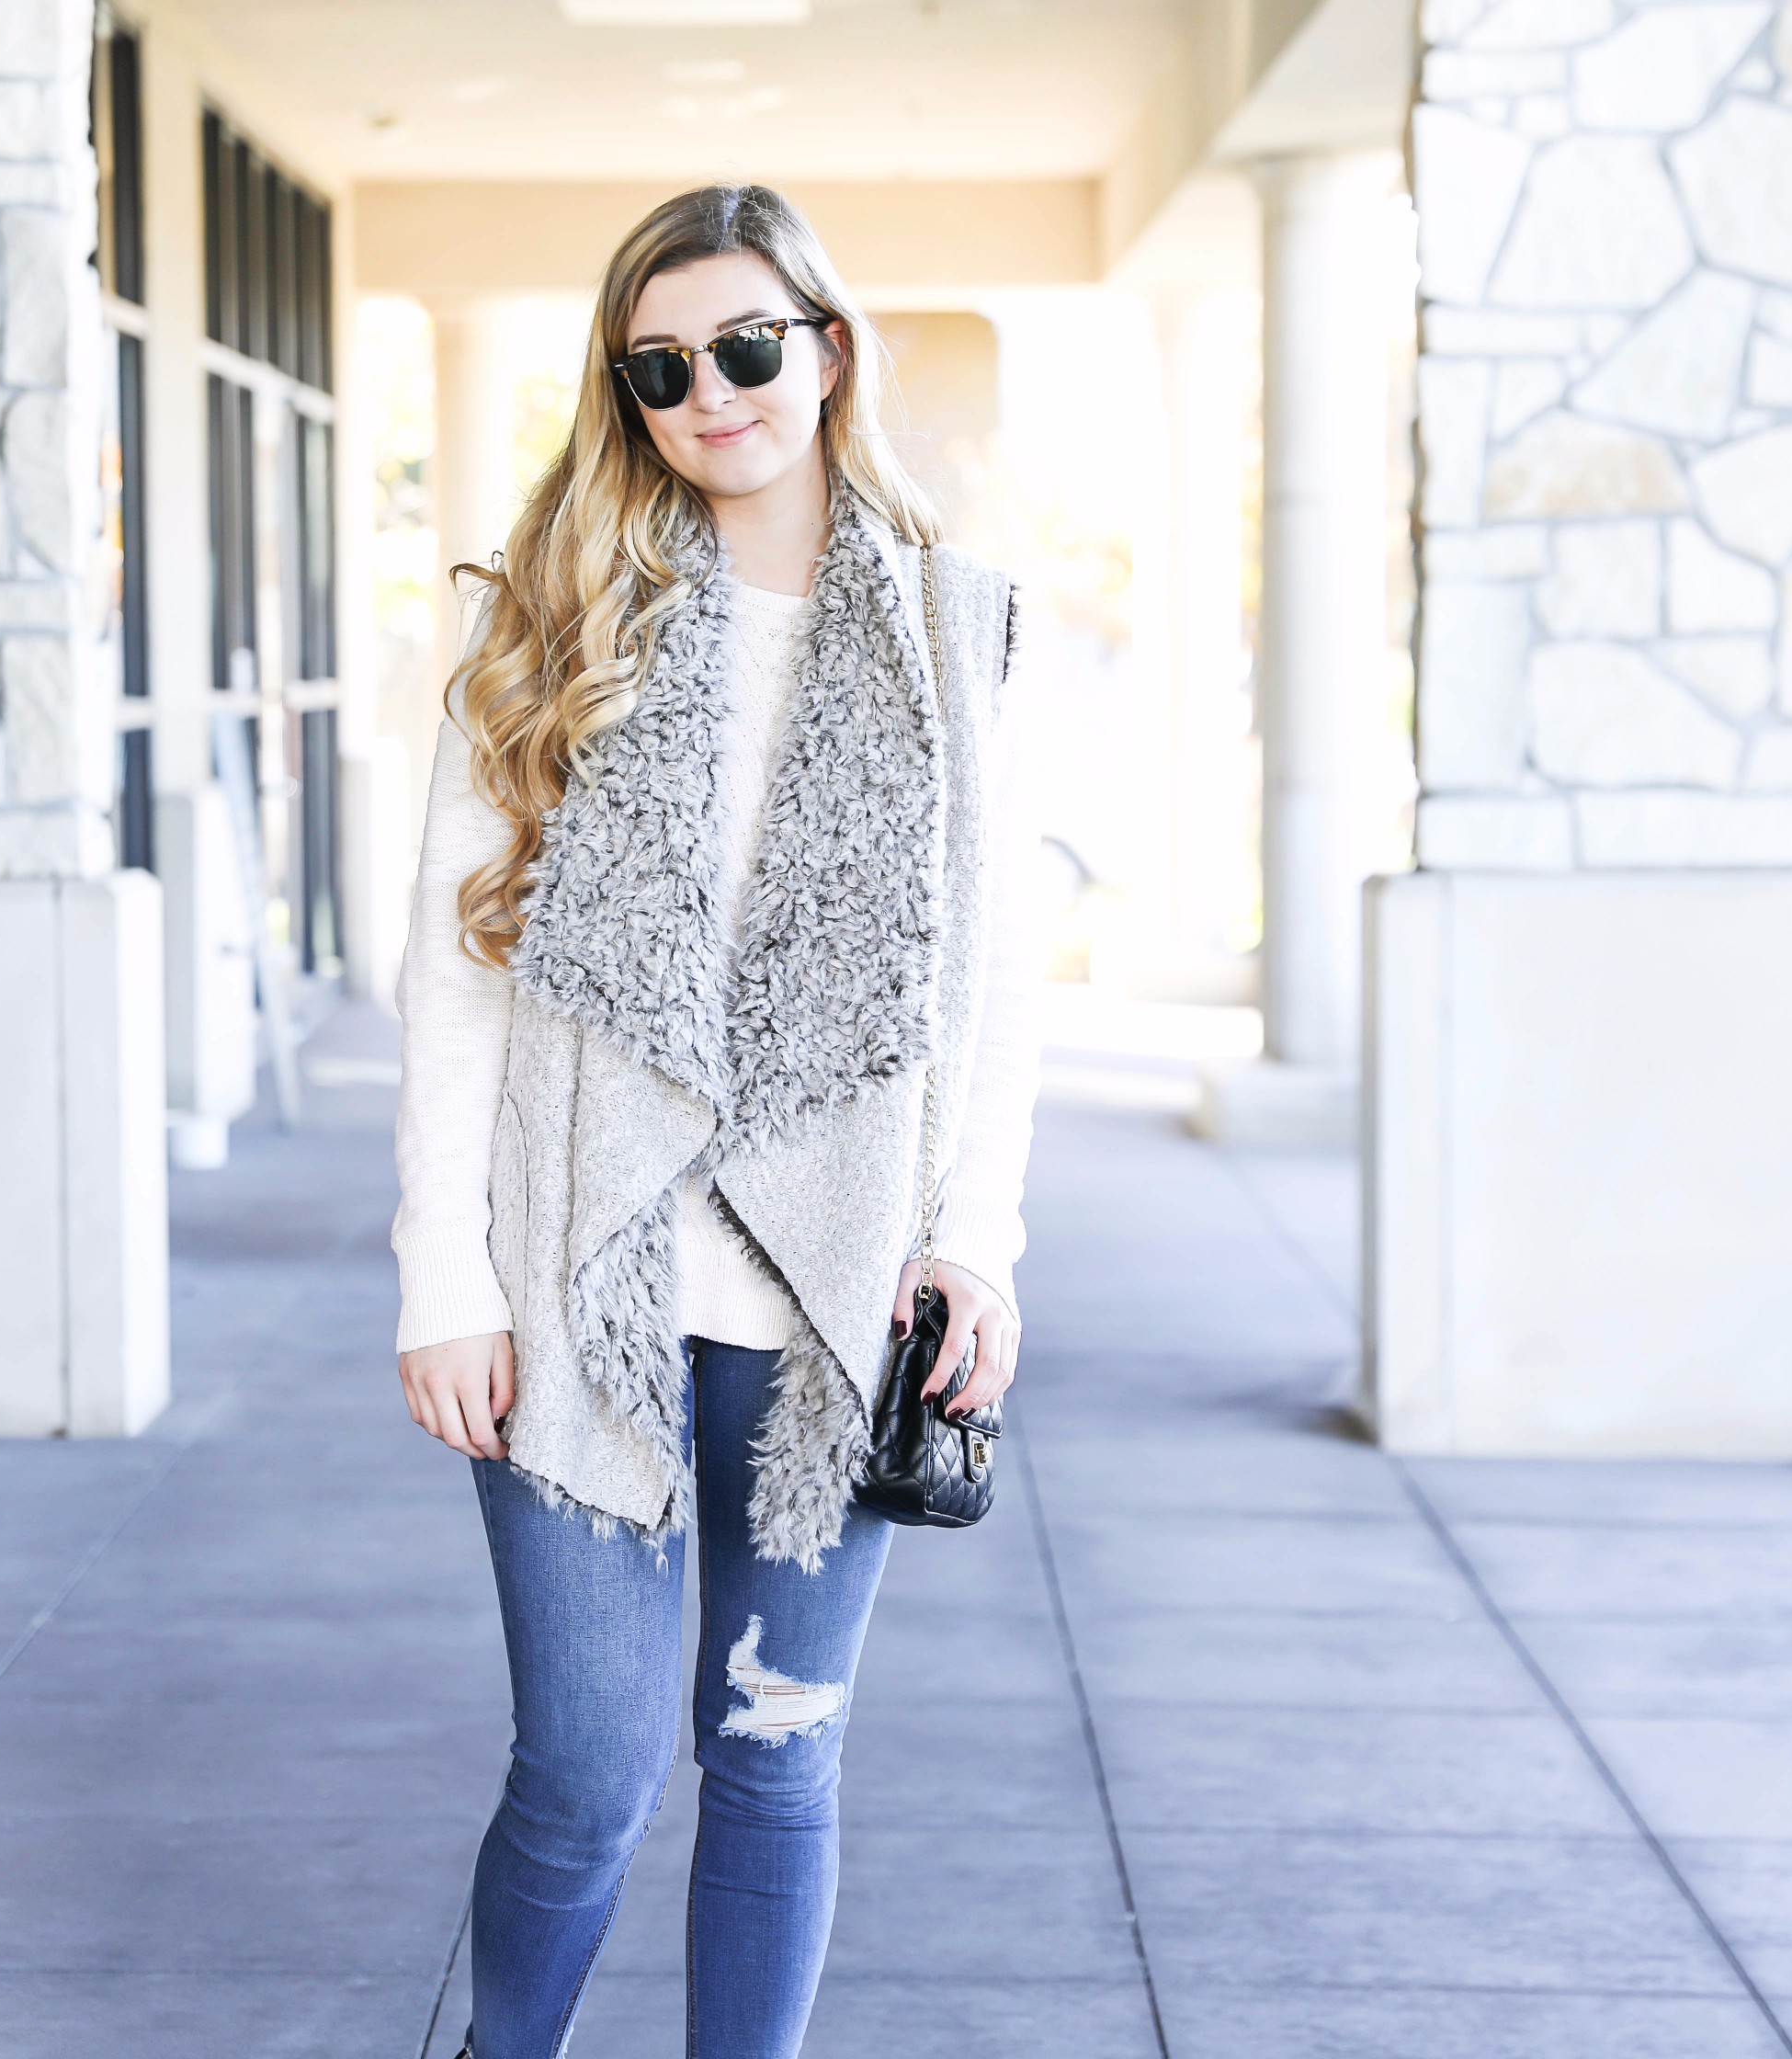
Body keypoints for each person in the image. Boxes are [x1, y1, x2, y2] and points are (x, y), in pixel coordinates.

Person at [388, 182, 1042, 2059]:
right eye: (660, 366)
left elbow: (996, 979)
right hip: (580, 1263)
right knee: (585, 1778)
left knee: (774, 1750)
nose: (712, 394)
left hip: (837, 1288)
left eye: (749, 346)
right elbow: (455, 980)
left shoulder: (956, 628)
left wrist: (975, 1238)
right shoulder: (553, 624)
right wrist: (447, 1275)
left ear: (828, 351)